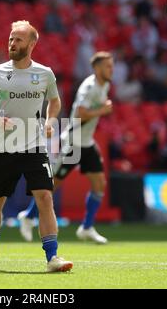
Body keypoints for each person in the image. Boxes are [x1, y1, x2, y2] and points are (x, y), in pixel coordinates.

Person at [0, 20, 73, 273]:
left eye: (18, 39)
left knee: (45, 198)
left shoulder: (44, 73)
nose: (12, 43)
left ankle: (52, 258)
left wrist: (51, 121)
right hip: (3, 148)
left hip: (35, 147)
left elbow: (55, 102)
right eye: (10, 38)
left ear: (31, 44)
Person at [18, 52, 115, 244]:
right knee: (52, 185)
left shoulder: (105, 85)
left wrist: (101, 108)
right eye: (107, 66)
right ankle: (28, 216)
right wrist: (103, 110)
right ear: (96, 69)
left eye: (112, 66)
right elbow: (80, 113)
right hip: (73, 142)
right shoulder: (89, 87)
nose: (111, 70)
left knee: (99, 184)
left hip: (86, 143)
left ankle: (86, 228)